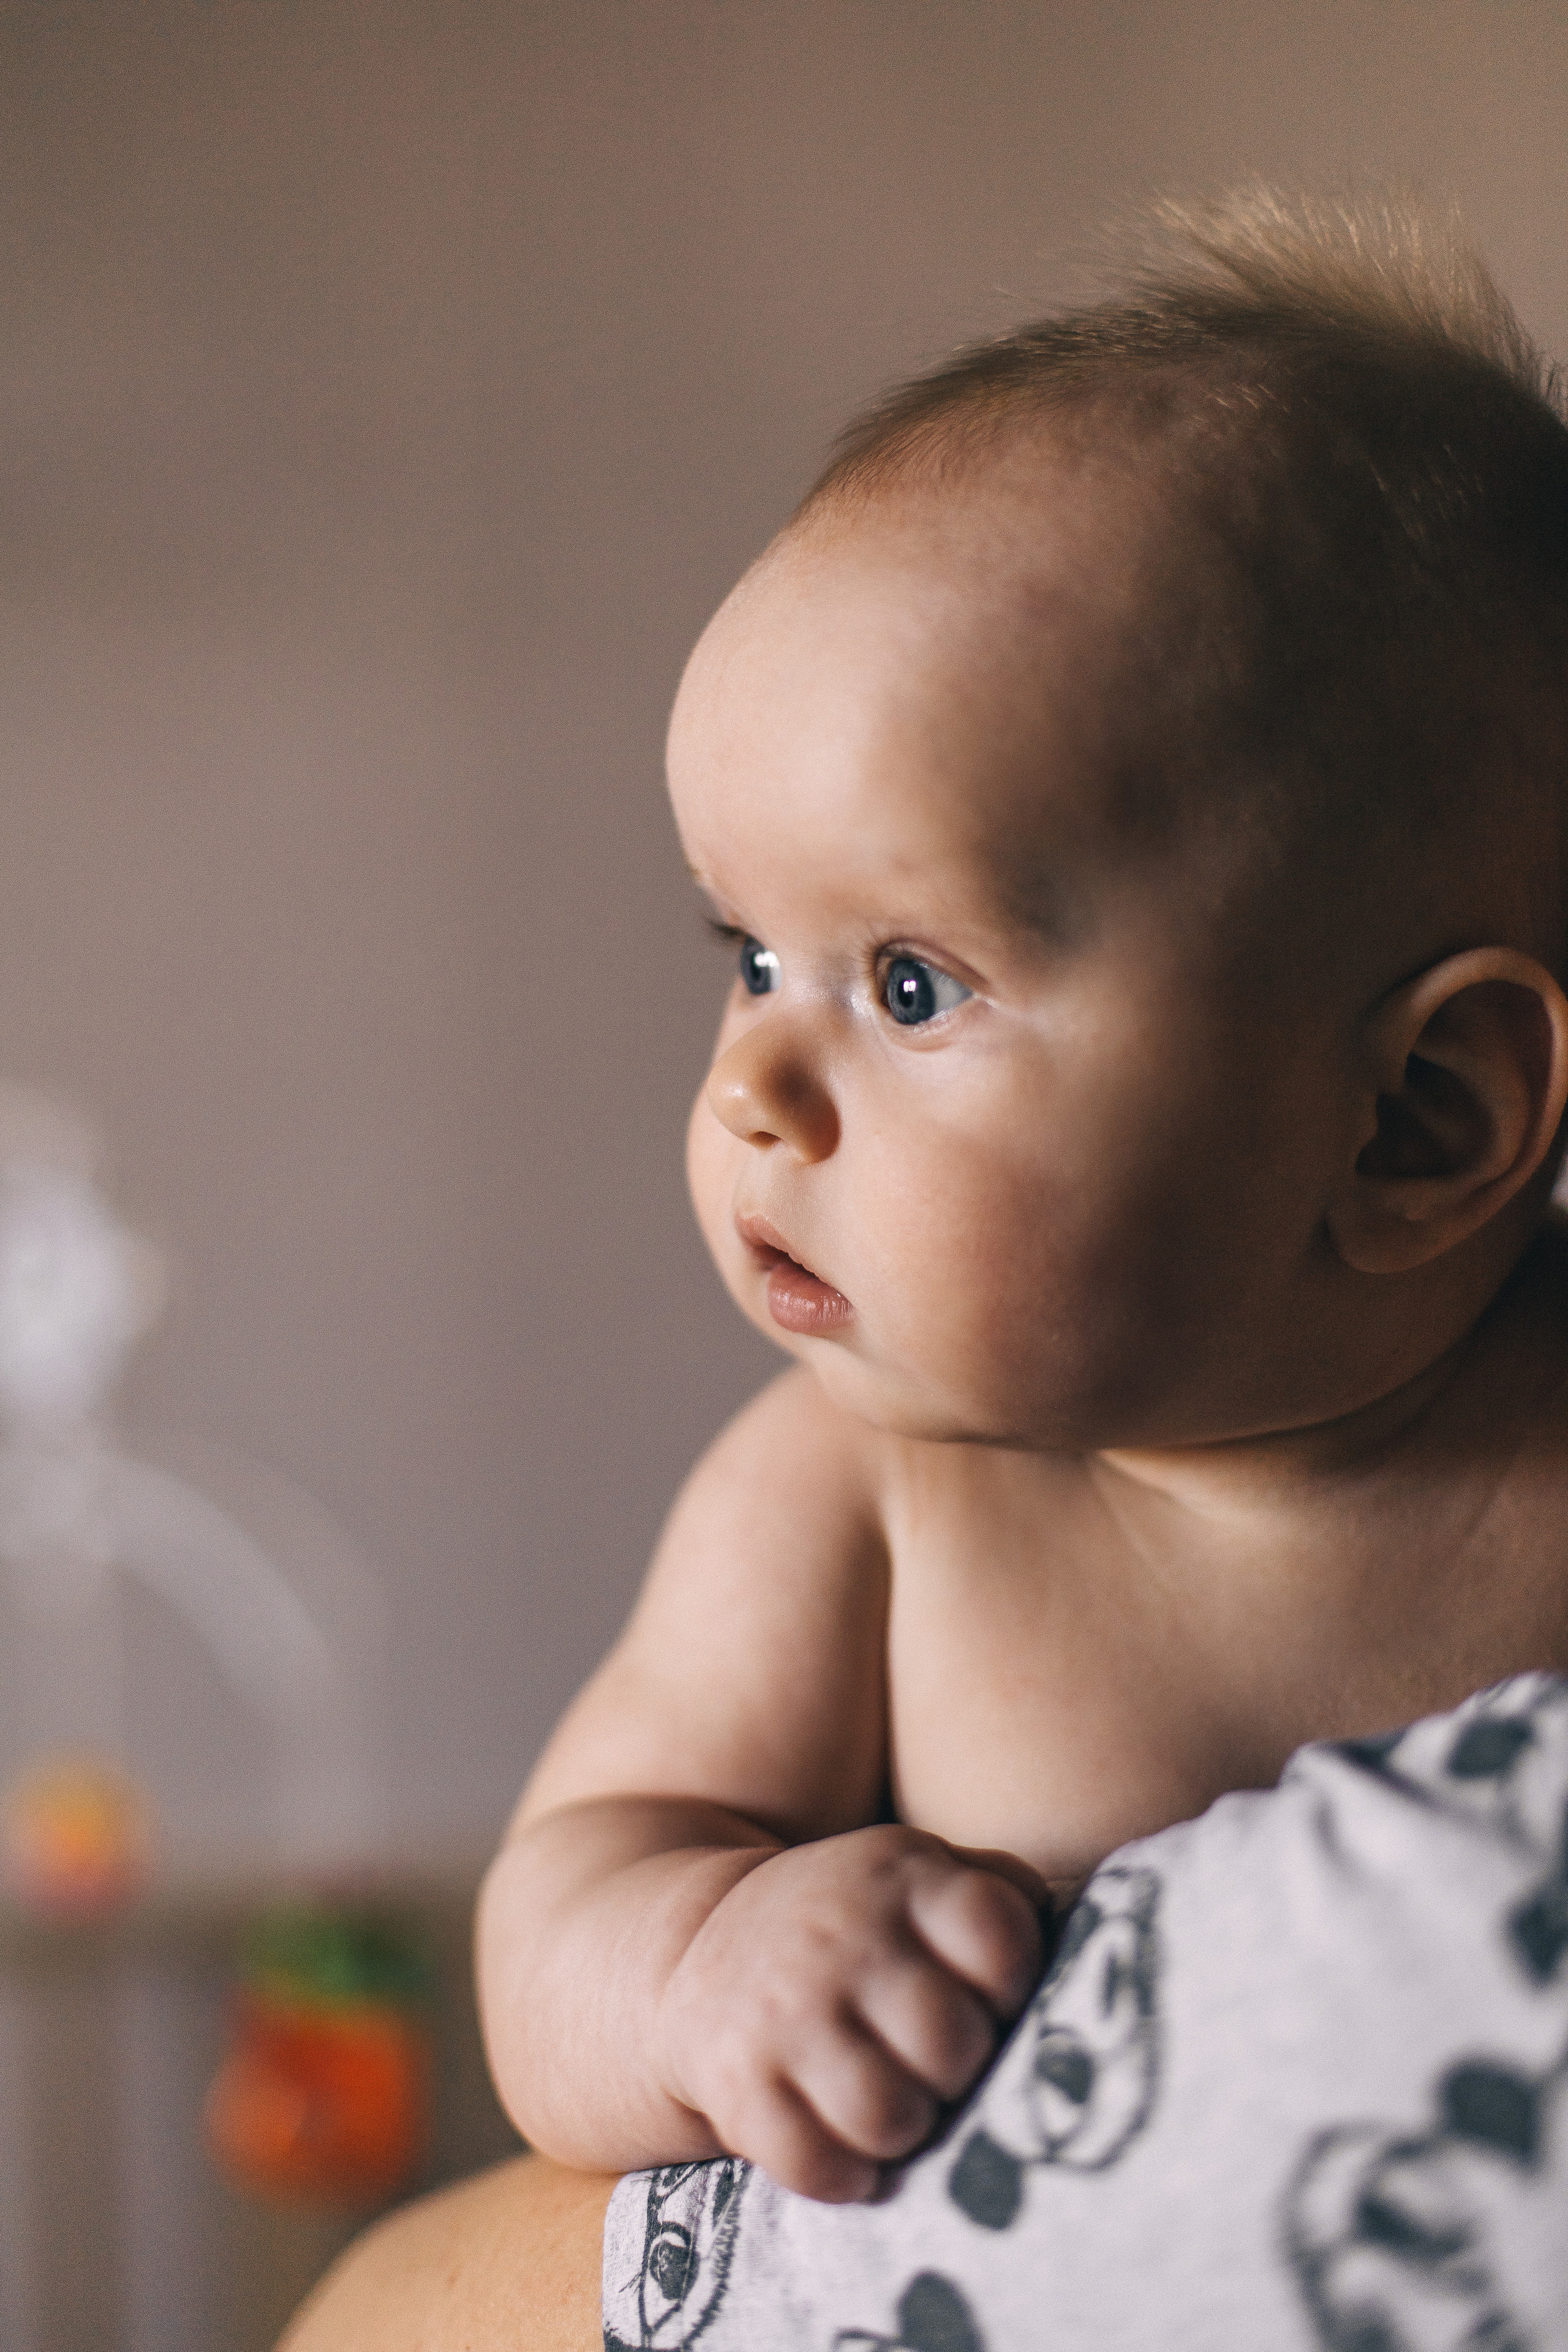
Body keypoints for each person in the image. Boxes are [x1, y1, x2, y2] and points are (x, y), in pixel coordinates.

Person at [285, 190, 1568, 2345]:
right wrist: (708, 1960)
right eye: (749, 954)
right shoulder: (858, 1501)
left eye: (907, 983)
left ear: (1420, 1117)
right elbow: (572, 1897)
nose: (753, 1089)